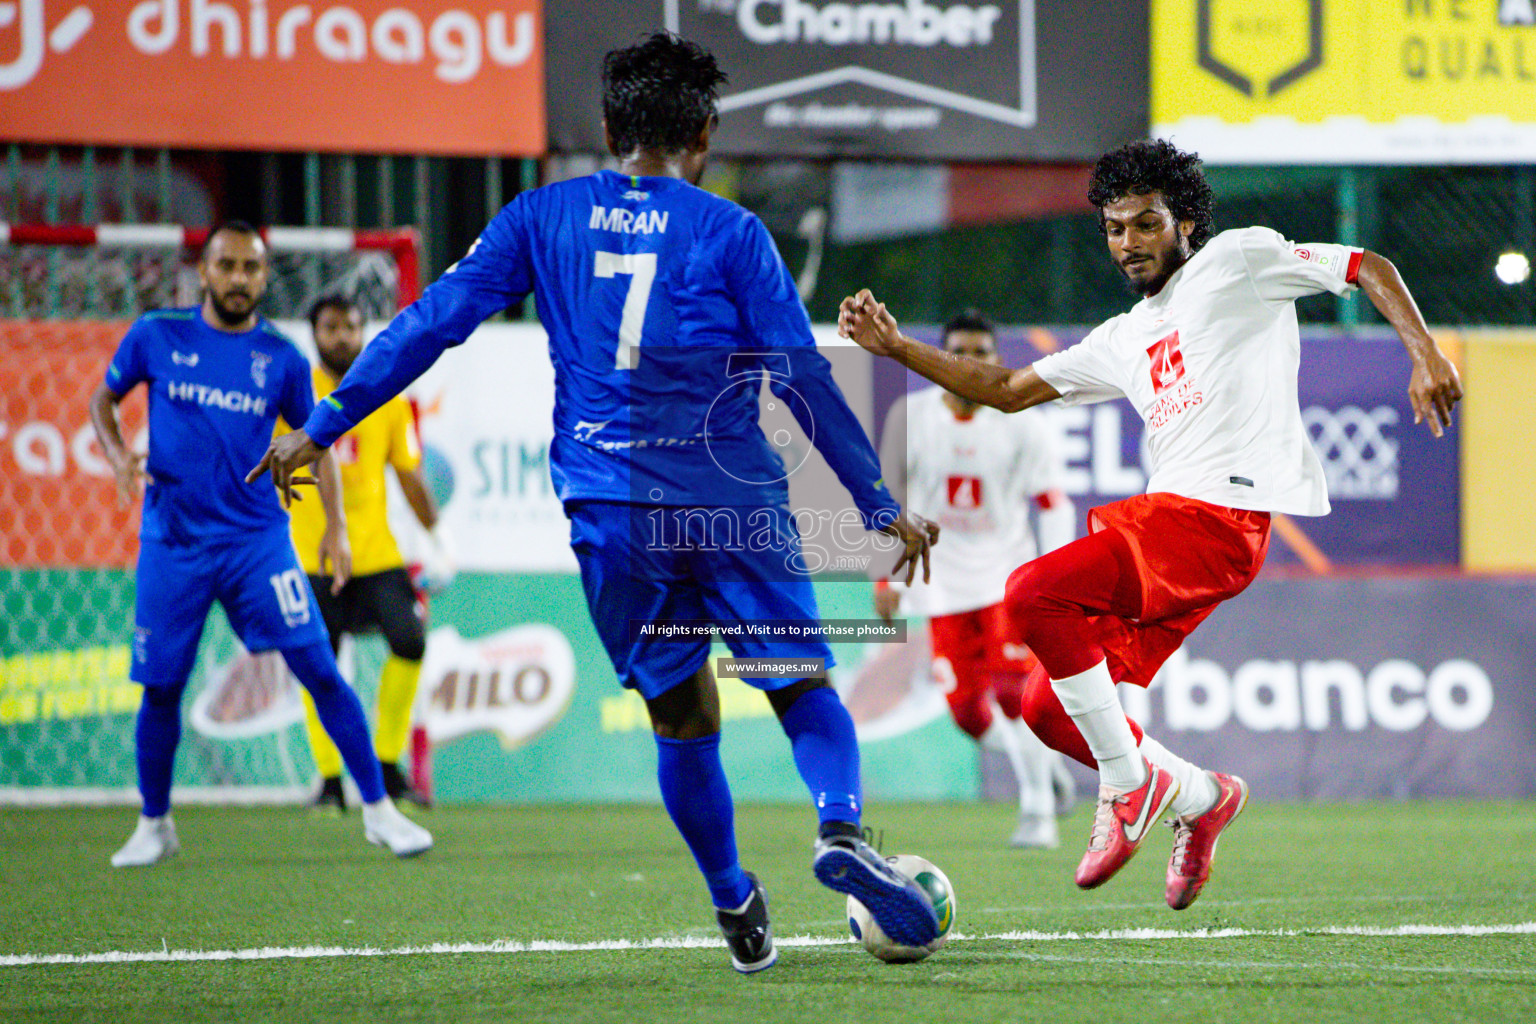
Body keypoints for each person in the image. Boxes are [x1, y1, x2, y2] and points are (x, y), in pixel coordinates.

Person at [249, 34, 942, 971]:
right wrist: (874, 502)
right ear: (704, 131)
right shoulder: (733, 233)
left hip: (613, 508)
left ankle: (734, 899)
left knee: (681, 712)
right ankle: (841, 827)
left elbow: (428, 326)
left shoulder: (541, 216)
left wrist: (323, 423)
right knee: (802, 683)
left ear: (610, 127)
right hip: (727, 500)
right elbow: (802, 381)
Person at [838, 139, 1462, 910]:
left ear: (1185, 221)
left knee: (1033, 593)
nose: (1128, 243)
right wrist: (897, 346)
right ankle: (1200, 796)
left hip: (1219, 517)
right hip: (1176, 534)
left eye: (1145, 223)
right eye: (1113, 228)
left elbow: (1367, 264)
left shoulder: (1237, 261)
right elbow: (1003, 387)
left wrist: (1425, 351)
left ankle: (1130, 788)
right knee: (1042, 708)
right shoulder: (1124, 335)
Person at [89, 221, 433, 867]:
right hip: (173, 543)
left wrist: (333, 527)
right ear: (205, 271)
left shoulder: (280, 359)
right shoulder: (157, 335)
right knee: (161, 688)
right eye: (228, 265)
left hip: (257, 544)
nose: (239, 278)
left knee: (320, 671)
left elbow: (316, 442)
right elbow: (102, 400)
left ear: (264, 277)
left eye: (251, 268)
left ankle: (379, 811)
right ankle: (154, 822)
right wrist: (115, 455)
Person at [875, 309, 1077, 850]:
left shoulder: (1023, 421)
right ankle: (1045, 773)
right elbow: (889, 502)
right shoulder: (909, 417)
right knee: (967, 714)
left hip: (1006, 577)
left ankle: (1038, 812)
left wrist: (1050, 574)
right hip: (939, 584)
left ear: (997, 360)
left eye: (982, 353)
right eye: (959, 350)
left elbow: (1052, 502)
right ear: (939, 360)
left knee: (1015, 698)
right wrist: (886, 579)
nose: (970, 362)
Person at [288, 295, 446, 812]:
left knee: (410, 641)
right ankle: (330, 780)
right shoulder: (294, 392)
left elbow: (409, 475)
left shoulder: (389, 397)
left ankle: (386, 764)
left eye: (351, 326)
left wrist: (437, 536)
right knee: (319, 664)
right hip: (313, 557)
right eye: (331, 327)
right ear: (313, 333)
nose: (342, 337)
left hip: (376, 554)